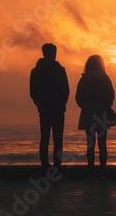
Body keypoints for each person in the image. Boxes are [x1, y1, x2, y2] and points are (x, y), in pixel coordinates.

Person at [30, 43, 69, 171]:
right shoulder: (60, 69)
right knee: (58, 139)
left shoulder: (35, 71)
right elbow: (65, 90)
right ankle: (57, 165)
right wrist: (62, 103)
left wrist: (40, 103)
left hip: (44, 109)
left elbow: (33, 92)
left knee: (44, 138)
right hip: (57, 109)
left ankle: (45, 165)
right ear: (54, 53)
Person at [75, 55, 115, 178]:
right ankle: (103, 172)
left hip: (88, 112)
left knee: (90, 144)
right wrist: (106, 105)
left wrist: (85, 107)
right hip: (102, 112)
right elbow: (110, 96)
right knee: (102, 144)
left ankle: (91, 172)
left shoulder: (83, 79)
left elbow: (78, 97)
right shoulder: (105, 78)